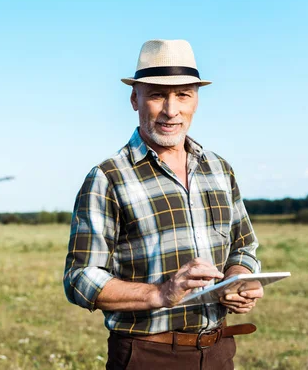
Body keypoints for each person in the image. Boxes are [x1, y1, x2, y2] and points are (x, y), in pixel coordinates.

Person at [63, 39, 263, 369]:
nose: (171, 110)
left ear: (196, 100)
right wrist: (160, 293)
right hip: (147, 354)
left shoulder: (219, 169)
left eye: (183, 94)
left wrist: (238, 278)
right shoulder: (108, 177)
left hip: (219, 351)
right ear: (134, 99)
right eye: (157, 94)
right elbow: (80, 278)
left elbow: (244, 246)